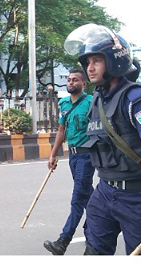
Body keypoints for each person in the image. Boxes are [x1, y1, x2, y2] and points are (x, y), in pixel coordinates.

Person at [64, 23, 141, 255]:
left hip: (137, 196)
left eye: (97, 61)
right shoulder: (98, 99)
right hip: (104, 191)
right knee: (94, 252)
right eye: (87, 62)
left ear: (114, 61)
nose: (89, 68)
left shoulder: (137, 99)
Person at [43, 69, 94, 255]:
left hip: (87, 156)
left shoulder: (91, 103)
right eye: (69, 80)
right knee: (89, 196)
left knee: (78, 197)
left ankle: (63, 240)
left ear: (84, 84)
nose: (71, 83)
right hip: (72, 157)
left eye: (75, 80)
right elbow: (61, 131)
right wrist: (53, 154)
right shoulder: (64, 103)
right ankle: (94, 234)